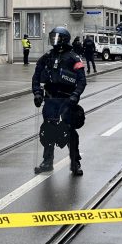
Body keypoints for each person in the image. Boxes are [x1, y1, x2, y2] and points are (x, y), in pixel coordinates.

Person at [32, 26, 87, 175]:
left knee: (69, 131)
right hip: (50, 99)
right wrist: (37, 93)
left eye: (57, 38)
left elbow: (82, 80)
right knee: (48, 130)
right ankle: (47, 161)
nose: (54, 41)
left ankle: (75, 162)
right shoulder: (48, 56)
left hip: (67, 100)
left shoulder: (74, 58)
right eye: (53, 37)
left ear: (64, 40)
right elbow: (36, 76)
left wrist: (75, 95)